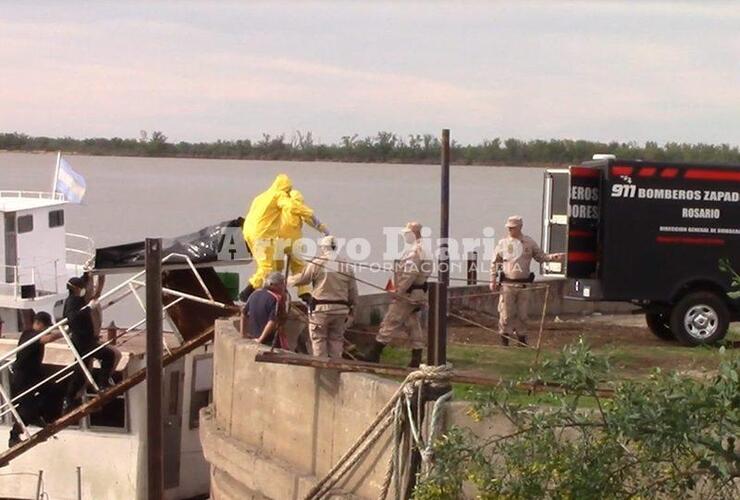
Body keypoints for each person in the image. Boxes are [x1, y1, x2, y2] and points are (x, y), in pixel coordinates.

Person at [364, 222, 431, 367]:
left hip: (407, 293)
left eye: (407, 233)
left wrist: (398, 291)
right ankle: (416, 357)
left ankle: (374, 353)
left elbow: (409, 274)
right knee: (413, 324)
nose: (405, 236)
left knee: (390, 321)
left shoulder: (415, 251)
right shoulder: (425, 249)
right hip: (419, 292)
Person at [490, 215, 564, 346]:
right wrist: (493, 279)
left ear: (519, 227)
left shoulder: (529, 242)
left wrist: (553, 257)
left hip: (524, 284)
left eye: (512, 228)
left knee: (523, 314)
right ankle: (504, 340)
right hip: (507, 284)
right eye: (508, 228)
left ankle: (522, 340)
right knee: (506, 314)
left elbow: (540, 257)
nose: (510, 230)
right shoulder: (503, 244)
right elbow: (494, 262)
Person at [288, 235, 357, 359]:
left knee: (319, 339)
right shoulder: (347, 266)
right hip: (341, 310)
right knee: (336, 340)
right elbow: (353, 292)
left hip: (321, 309)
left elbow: (303, 279)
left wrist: (288, 280)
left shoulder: (318, 263)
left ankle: (322, 370)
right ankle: (335, 368)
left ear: (323, 248)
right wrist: (352, 309)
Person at [62, 277, 119, 412]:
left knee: (81, 371)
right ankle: (102, 384)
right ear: (75, 289)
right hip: (82, 341)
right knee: (108, 355)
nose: (84, 289)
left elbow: (86, 282)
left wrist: (88, 273)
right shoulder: (72, 301)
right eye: (81, 287)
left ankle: (69, 399)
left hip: (86, 340)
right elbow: (72, 318)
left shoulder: (77, 300)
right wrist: (88, 308)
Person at [9, 312, 60, 446]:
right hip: (23, 377)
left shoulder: (32, 333)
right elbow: (46, 339)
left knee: (52, 388)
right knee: (27, 407)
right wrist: (63, 333)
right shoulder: (30, 334)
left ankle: (37, 416)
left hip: (33, 375)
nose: (46, 330)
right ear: (38, 323)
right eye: (46, 327)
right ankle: (14, 435)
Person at [239, 174, 293, 301]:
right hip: (263, 234)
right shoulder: (279, 195)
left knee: (264, 264)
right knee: (266, 267)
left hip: (249, 232)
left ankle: (263, 292)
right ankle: (247, 292)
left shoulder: (260, 197)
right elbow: (288, 206)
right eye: (288, 190)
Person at [279, 189, 330, 299]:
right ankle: (304, 293)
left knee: (276, 267)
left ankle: (273, 288)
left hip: (278, 240)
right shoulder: (297, 204)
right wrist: (324, 230)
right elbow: (310, 219)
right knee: (299, 267)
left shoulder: (280, 203)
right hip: (294, 241)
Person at [241, 272, 287, 345]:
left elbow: (244, 313)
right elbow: (272, 322)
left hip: (253, 337)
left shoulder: (254, 294)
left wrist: (243, 334)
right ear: (272, 285)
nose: (283, 287)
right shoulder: (276, 298)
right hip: (269, 341)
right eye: (281, 284)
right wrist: (260, 339)